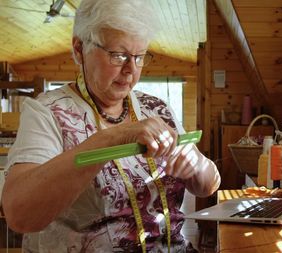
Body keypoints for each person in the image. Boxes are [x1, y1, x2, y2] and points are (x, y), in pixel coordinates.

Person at [1, 0, 220, 252]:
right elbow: (20, 214)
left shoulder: (156, 109)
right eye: (119, 55)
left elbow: (208, 184)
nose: (130, 70)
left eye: (139, 57)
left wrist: (198, 164)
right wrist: (113, 137)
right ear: (79, 48)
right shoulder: (47, 112)